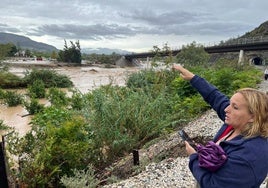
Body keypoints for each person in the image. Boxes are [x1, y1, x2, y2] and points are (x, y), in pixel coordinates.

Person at [173, 64, 268, 188]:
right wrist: (193, 78)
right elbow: (215, 97)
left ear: (253, 116)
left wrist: (194, 157)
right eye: (230, 103)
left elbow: (213, 185)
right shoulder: (238, 124)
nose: (226, 109)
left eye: (235, 107)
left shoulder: (249, 155)